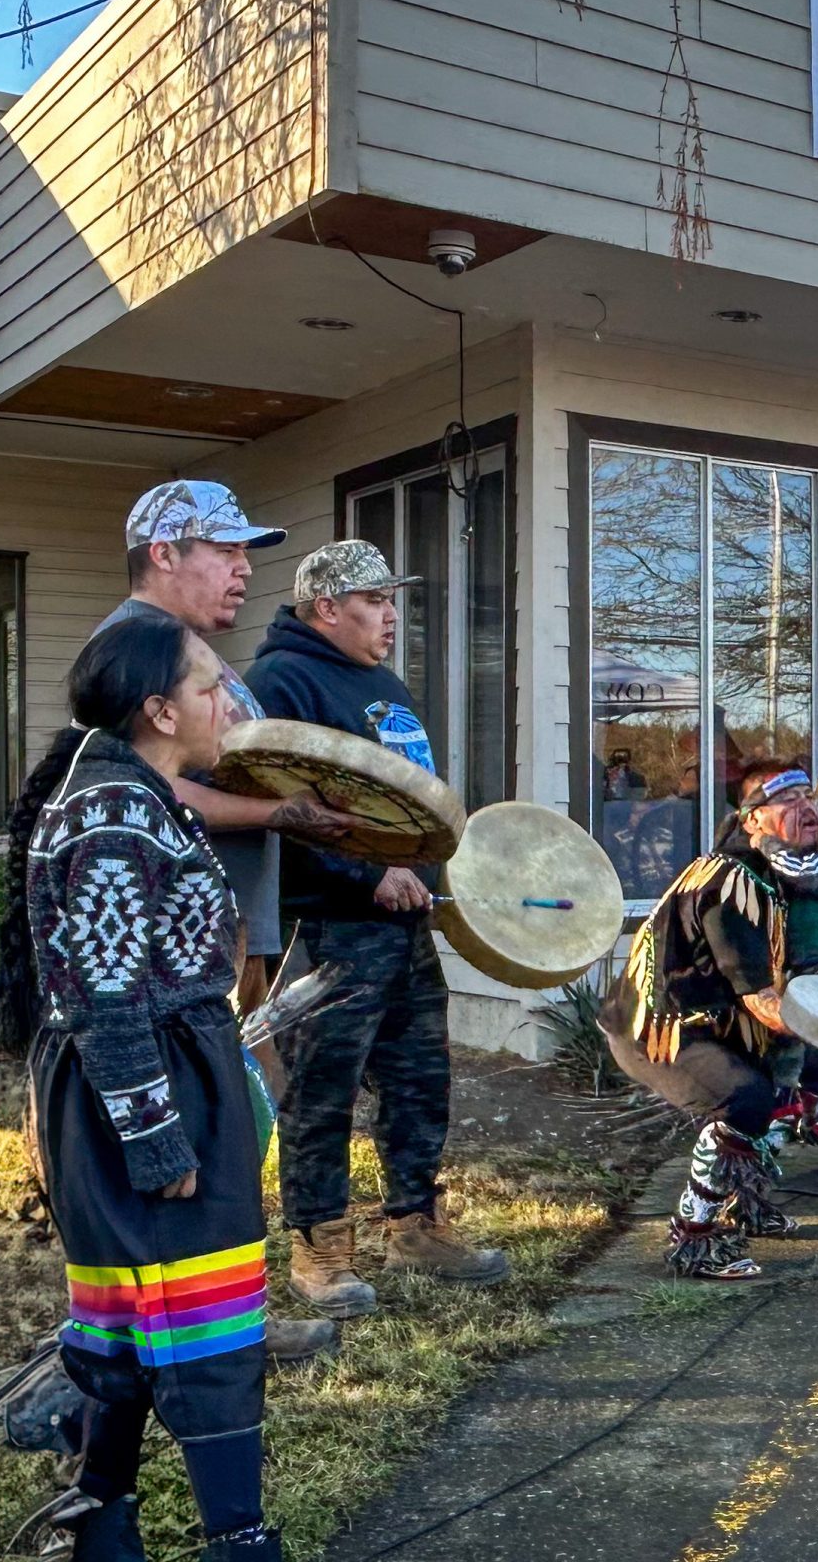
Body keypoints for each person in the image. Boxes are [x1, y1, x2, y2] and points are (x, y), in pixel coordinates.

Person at [66, 484, 361, 1367]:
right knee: (198, 1131)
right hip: (177, 957)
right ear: (163, 553)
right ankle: (183, 1330)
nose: (243, 570)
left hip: (231, 933)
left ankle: (230, 1314)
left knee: (239, 1125)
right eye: (224, 551)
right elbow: (142, 784)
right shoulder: (133, 650)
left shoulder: (201, 656)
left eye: (245, 553)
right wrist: (280, 816)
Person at [16, 615, 284, 1559]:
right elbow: (106, 996)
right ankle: (239, 1538)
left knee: (133, 1310)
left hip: (160, 1075)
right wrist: (157, 1137)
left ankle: (101, 1518)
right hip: (146, 1086)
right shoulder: (113, 812)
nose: (227, 704)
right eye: (210, 687)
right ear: (161, 710)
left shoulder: (128, 795)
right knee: (197, 1316)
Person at [248, 542, 508, 1318]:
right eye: (375, 601)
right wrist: (367, 876)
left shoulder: (383, 684)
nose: (392, 615)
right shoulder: (280, 681)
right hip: (330, 927)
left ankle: (415, 1226)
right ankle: (320, 1248)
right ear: (326, 608)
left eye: (393, 600)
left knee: (419, 1079)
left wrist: (428, 868)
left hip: (402, 921)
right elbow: (278, 809)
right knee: (322, 1093)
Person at [603, 763, 818, 1278]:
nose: (808, 807)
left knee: (789, 1087)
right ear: (753, 820)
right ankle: (694, 1235)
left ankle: (743, 1204)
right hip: (659, 1028)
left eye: (810, 796)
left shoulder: (773, 875)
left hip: (712, 1022)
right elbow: (760, 1000)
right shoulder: (731, 882)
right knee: (745, 1098)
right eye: (789, 800)